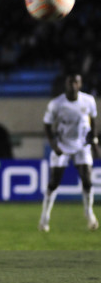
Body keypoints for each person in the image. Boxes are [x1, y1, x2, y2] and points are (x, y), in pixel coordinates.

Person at [39, 74, 99, 232]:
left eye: (76, 82)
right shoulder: (56, 104)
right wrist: (54, 146)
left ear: (80, 84)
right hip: (62, 145)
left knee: (87, 180)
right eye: (70, 82)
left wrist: (94, 142)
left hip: (82, 145)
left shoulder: (88, 101)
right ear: (66, 84)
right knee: (54, 182)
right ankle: (45, 217)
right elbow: (47, 126)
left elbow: (93, 121)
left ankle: (89, 213)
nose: (73, 85)